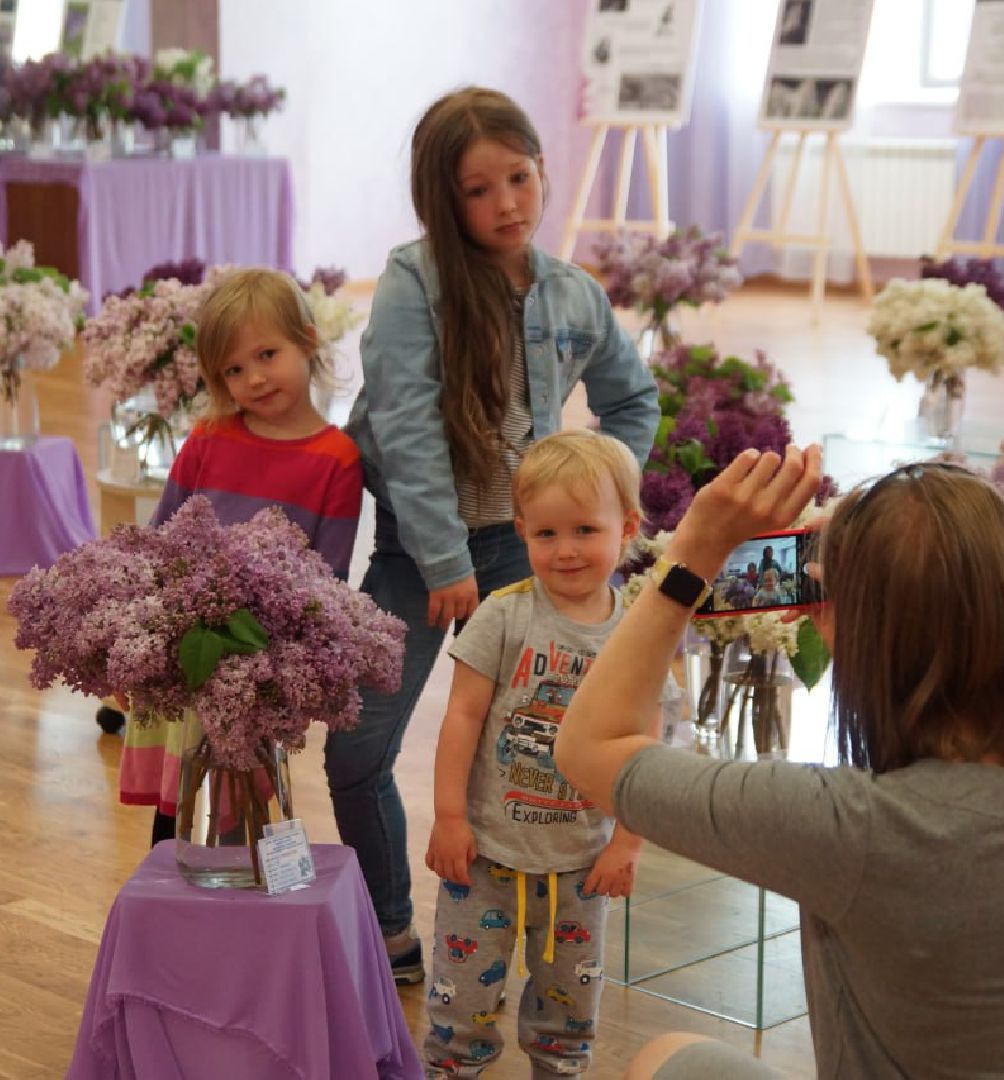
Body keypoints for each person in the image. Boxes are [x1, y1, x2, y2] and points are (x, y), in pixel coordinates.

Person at [555, 449, 1004, 1079]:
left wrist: (694, 554)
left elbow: (587, 748)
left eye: (823, 591)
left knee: (661, 1061)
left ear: (860, 627)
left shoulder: (860, 829)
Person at [338, 86, 660, 983]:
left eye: (517, 179)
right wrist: (442, 559)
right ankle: (389, 932)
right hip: (420, 552)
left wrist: (591, 488)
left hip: (525, 555)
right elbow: (401, 422)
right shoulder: (416, 281)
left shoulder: (570, 292)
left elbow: (633, 399)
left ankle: (513, 920)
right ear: (444, 200)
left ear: (541, 171)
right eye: (478, 191)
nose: (505, 205)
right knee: (358, 745)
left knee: (527, 744)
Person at [421, 429, 655, 1078]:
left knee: (567, 1020)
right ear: (521, 529)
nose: (565, 550)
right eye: (545, 534)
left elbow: (644, 747)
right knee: (459, 1011)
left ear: (627, 526)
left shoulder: (637, 632)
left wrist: (627, 843)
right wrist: (448, 818)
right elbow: (461, 717)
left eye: (584, 529)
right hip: (485, 859)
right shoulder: (503, 615)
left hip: (581, 866)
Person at [117, 268, 363, 846]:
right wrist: (133, 649)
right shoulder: (207, 438)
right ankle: (174, 924)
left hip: (261, 668)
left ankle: (238, 925)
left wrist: (282, 685)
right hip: (185, 655)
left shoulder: (336, 460)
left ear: (307, 339)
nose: (253, 378)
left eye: (267, 354)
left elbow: (327, 586)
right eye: (233, 369)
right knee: (178, 814)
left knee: (244, 816)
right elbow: (160, 540)